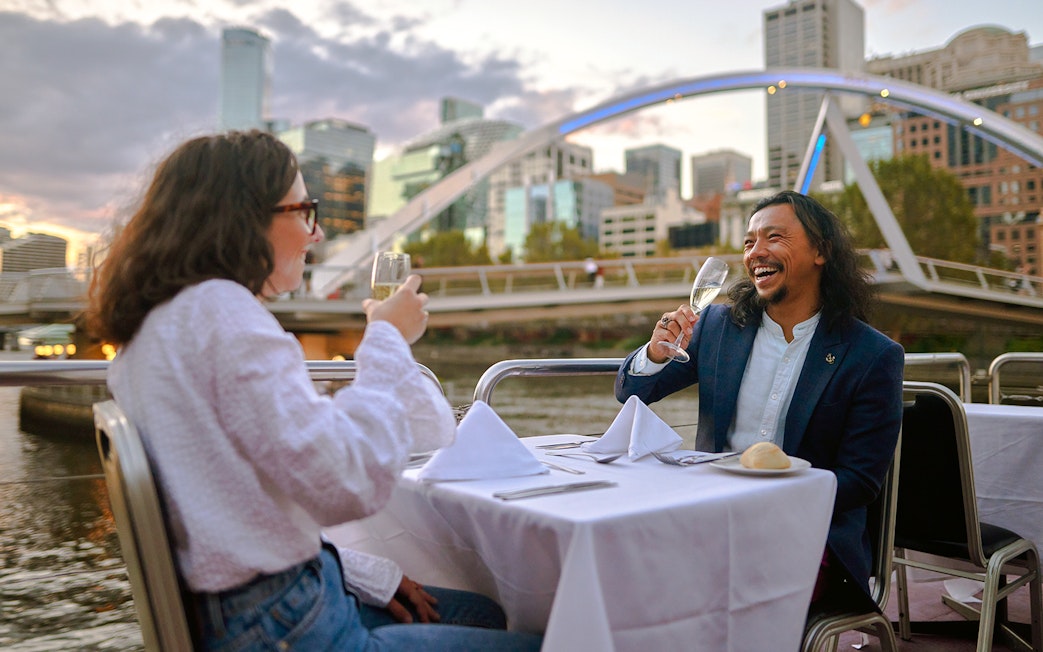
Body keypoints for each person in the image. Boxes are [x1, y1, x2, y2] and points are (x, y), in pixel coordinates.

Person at [83, 130, 541, 651]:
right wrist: (387, 338)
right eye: (305, 210)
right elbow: (344, 481)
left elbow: (240, 503)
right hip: (287, 626)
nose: (316, 234)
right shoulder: (223, 314)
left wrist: (364, 573)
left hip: (254, 608)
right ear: (244, 215)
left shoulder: (156, 330)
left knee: (482, 614)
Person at [615, 190, 903, 608]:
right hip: (709, 516)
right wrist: (656, 352)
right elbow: (631, 391)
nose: (756, 252)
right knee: (632, 555)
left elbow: (859, 482)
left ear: (820, 251)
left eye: (774, 237)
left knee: (701, 585)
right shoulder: (716, 326)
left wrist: (766, 502)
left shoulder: (872, 356)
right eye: (749, 242)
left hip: (807, 536)